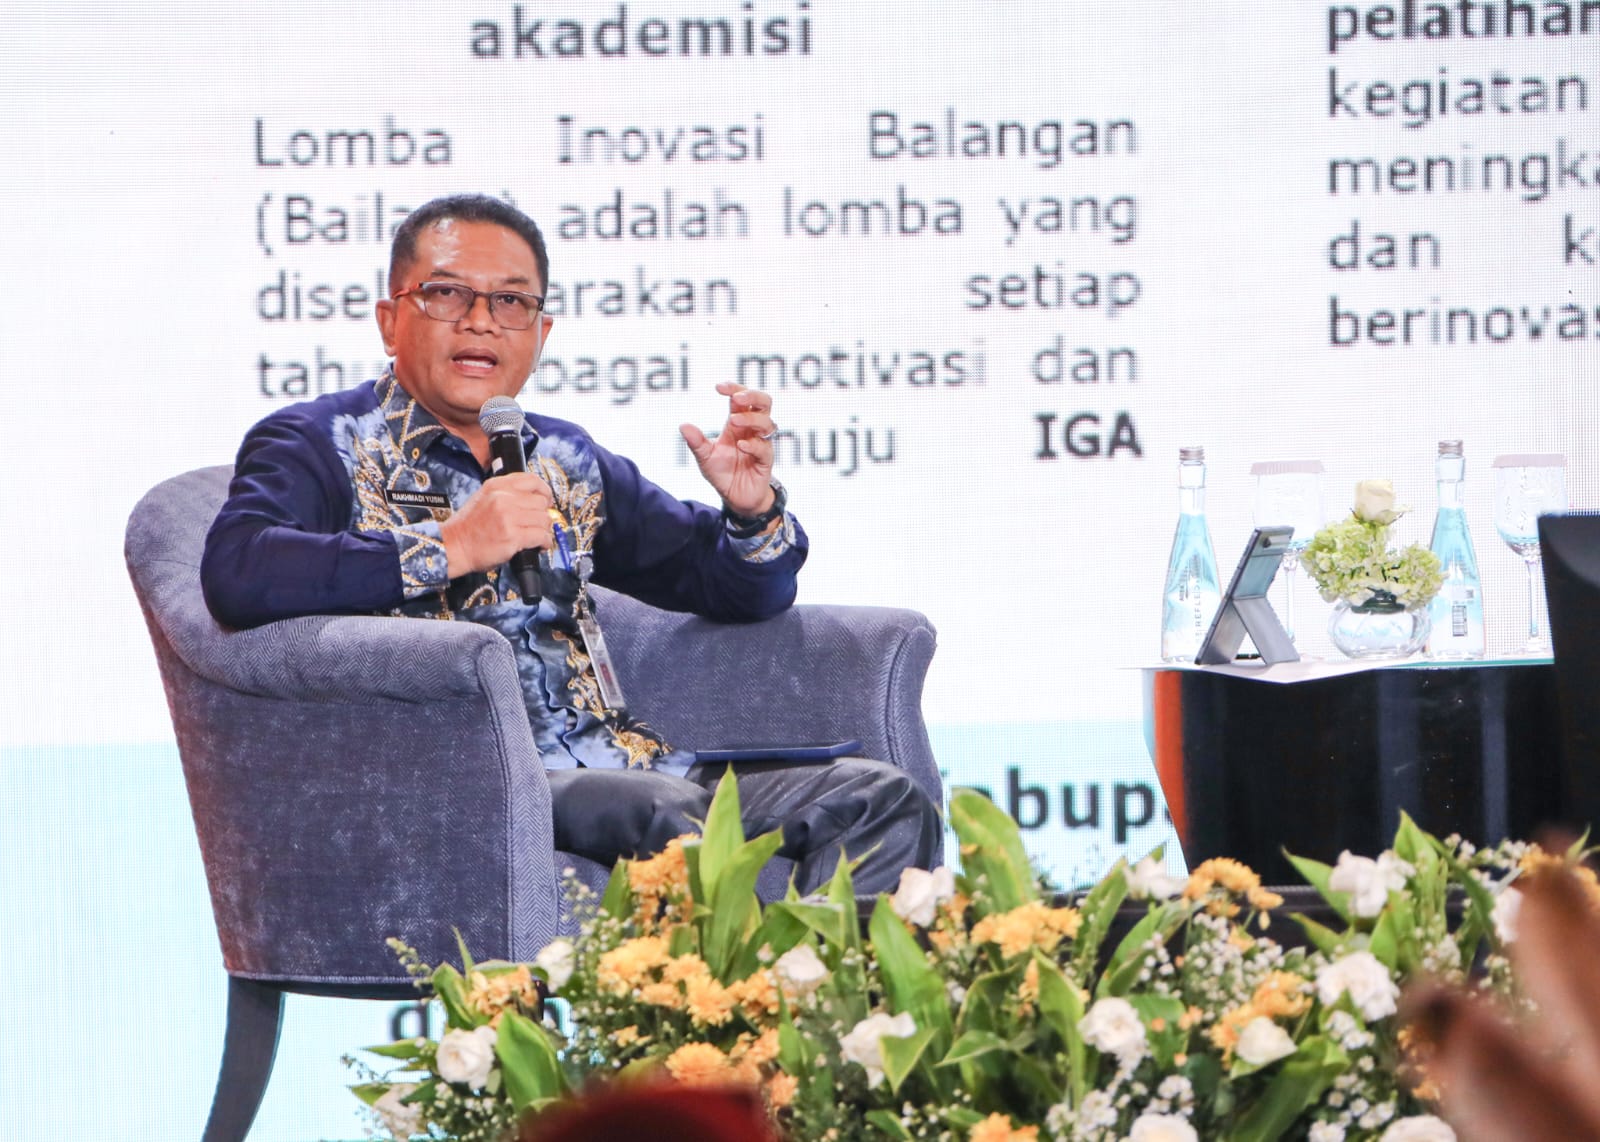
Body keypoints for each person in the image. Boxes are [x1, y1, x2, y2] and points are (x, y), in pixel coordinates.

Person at [201, 192, 939, 894]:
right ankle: (716, 986)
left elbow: (733, 590)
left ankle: (816, 988)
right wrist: (450, 545)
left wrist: (749, 512)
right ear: (391, 322)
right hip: (462, 783)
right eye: (448, 294)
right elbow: (239, 570)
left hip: (628, 767)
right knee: (671, 820)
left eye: (511, 302)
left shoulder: (561, 458)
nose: (481, 322)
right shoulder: (318, 441)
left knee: (881, 799)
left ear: (541, 334)